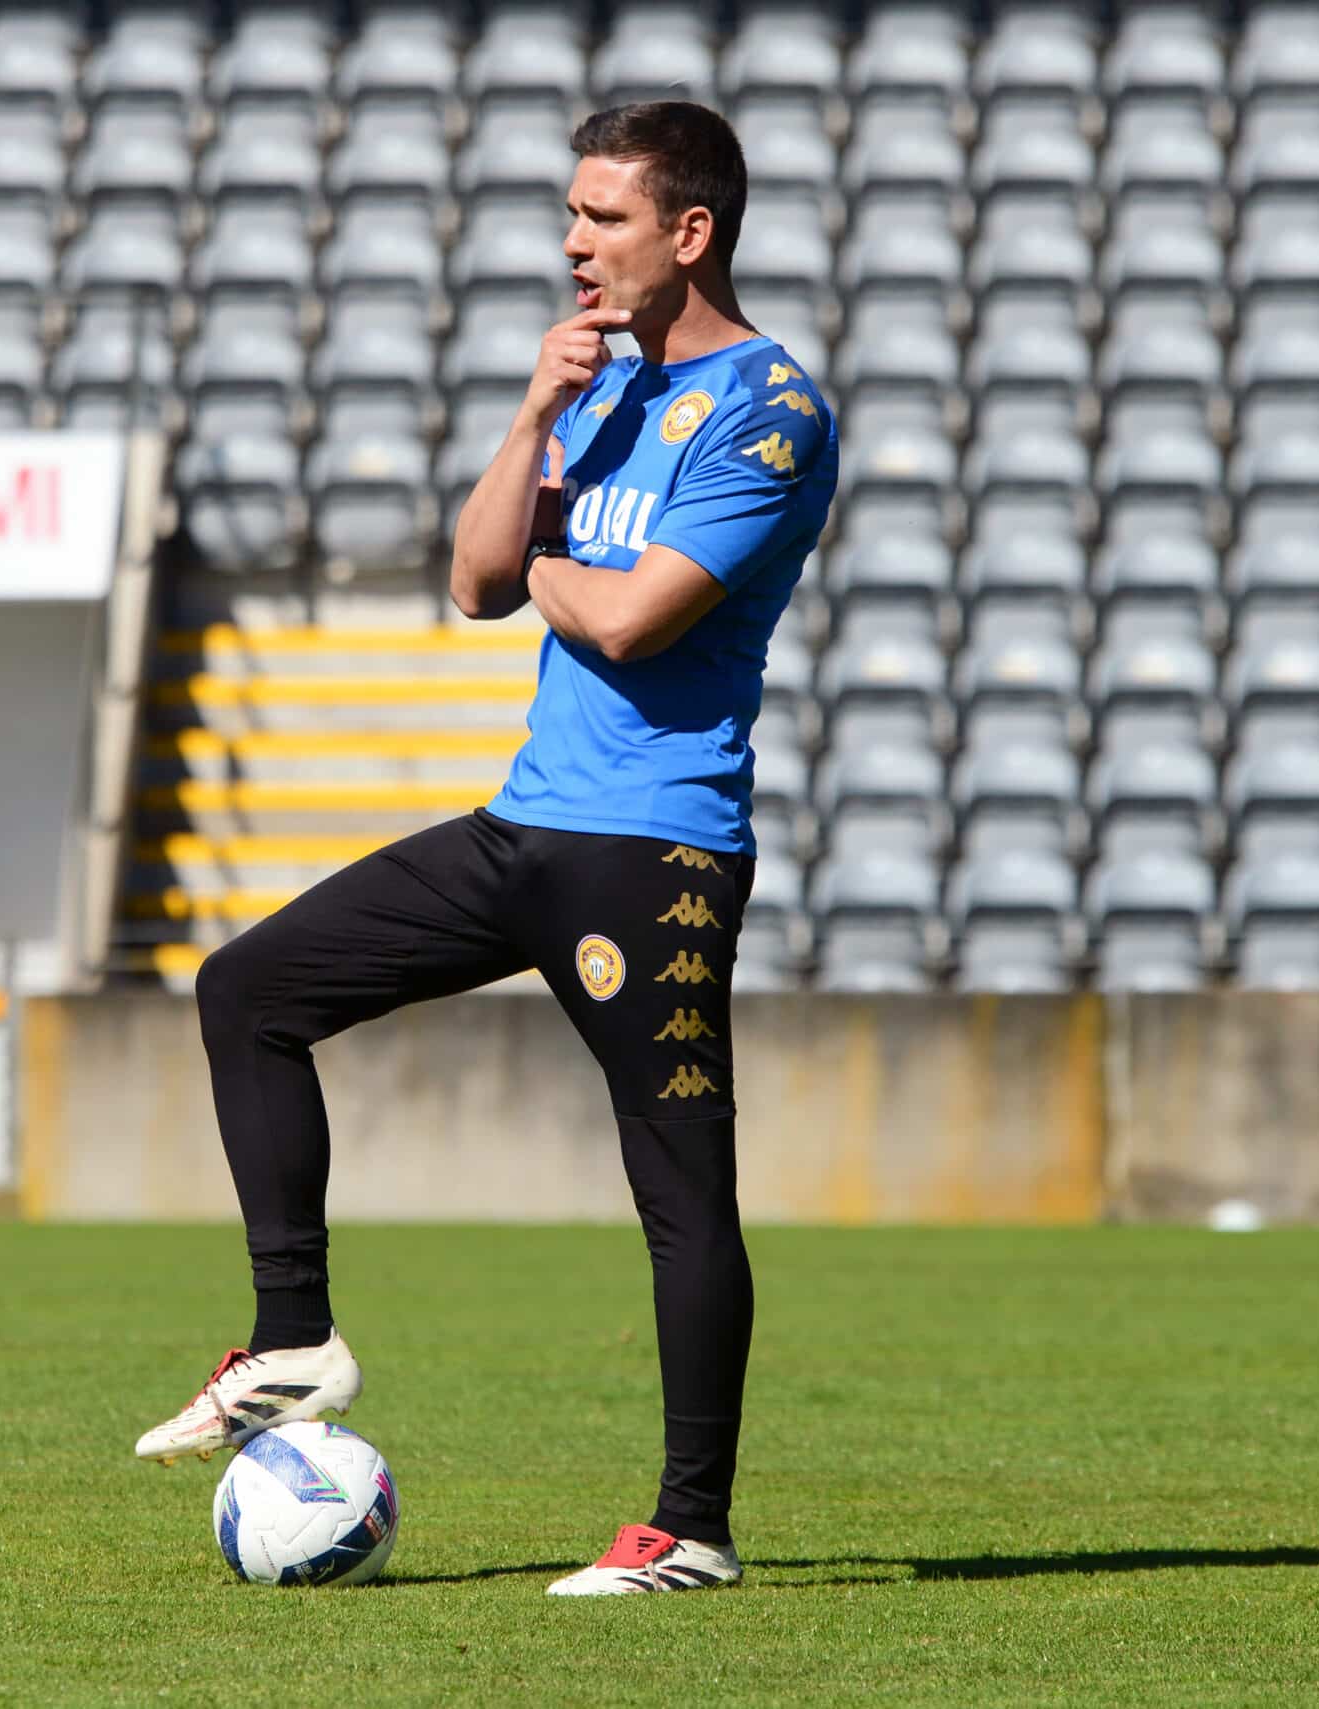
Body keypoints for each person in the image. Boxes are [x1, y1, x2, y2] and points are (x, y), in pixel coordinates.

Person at [133, 102, 840, 1596]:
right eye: (572, 217)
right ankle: (293, 1341)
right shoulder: (593, 391)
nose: (574, 245)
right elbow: (475, 582)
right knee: (249, 990)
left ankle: (691, 1524)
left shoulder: (771, 406)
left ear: (690, 232)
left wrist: (551, 563)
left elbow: (639, 617)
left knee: (679, 1184)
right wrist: (532, 416)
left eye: (605, 218)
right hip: (525, 829)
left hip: (655, 855)